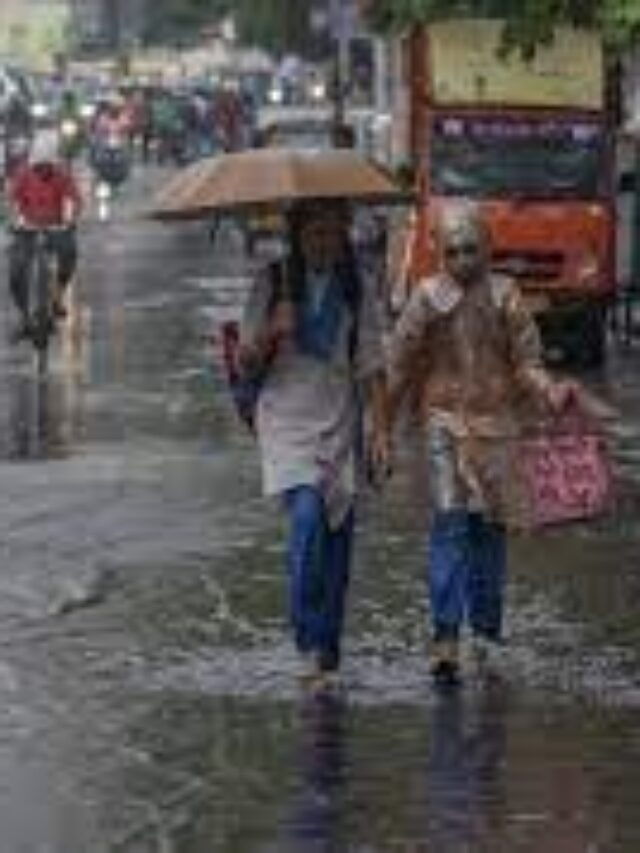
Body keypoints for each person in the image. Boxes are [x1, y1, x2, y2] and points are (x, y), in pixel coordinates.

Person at [387, 201, 581, 687]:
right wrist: (381, 426)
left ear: (488, 249)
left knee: (490, 532)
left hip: (497, 428)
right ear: (438, 253)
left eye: (471, 249)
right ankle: (446, 635)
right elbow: (398, 364)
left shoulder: (506, 295)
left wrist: (548, 390)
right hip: (443, 426)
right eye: (452, 251)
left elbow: (526, 361)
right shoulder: (425, 297)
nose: (462, 260)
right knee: (450, 524)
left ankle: (488, 633)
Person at [239, 202, 390, 692]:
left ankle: (328, 644)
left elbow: (370, 364)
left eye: (332, 233)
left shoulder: (357, 286)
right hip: (285, 418)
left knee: (338, 535)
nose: (324, 243)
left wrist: (381, 430)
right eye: (314, 234)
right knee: (306, 519)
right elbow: (245, 360)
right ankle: (307, 644)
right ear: (297, 236)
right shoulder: (272, 281)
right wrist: (271, 331)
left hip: (339, 417)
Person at [7, 135, 82, 337]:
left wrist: (68, 220)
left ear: (53, 163)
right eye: (38, 166)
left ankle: (57, 295)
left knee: (69, 255)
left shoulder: (62, 176)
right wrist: (17, 220)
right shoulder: (23, 175)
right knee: (15, 273)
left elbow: (72, 200)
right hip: (26, 230)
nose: (42, 169)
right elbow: (12, 201)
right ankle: (24, 316)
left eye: (46, 165)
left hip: (55, 229)